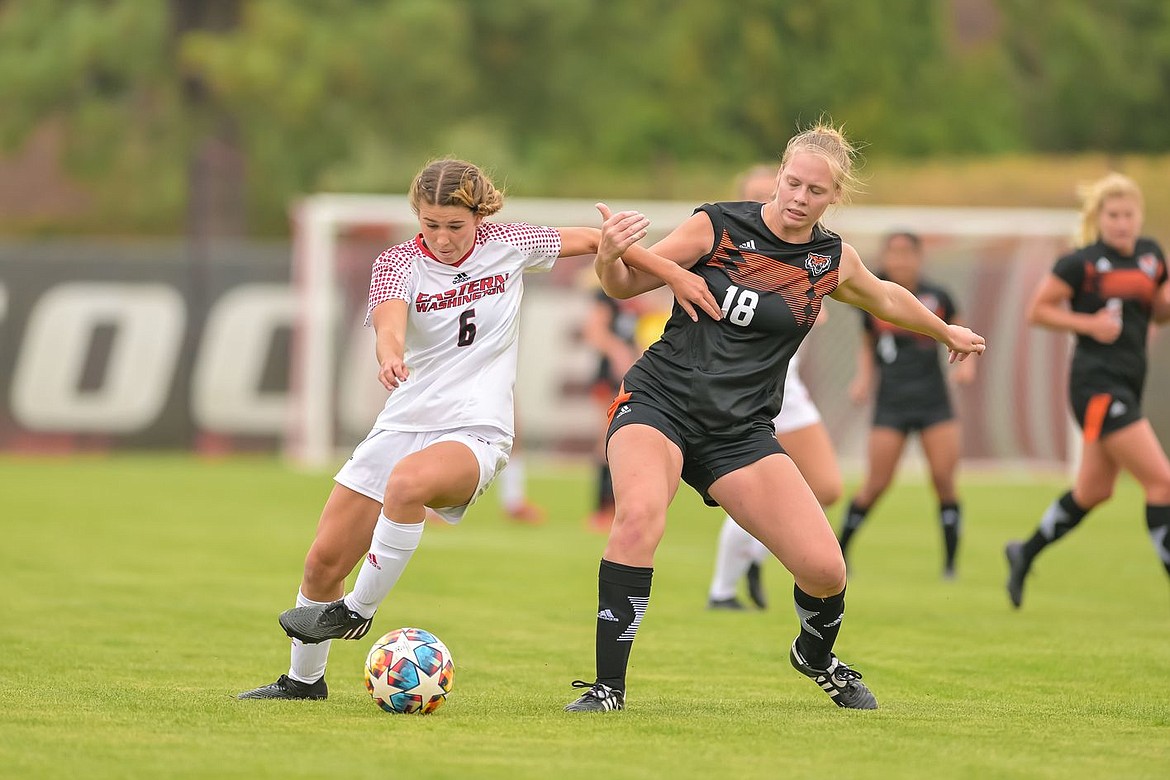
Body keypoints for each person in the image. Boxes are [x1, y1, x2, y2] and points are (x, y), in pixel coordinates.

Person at [236, 158, 705, 700]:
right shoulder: (396, 263)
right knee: (322, 561)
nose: (442, 237)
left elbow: (596, 239)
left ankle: (357, 612)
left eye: (455, 225)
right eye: (431, 224)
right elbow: (389, 326)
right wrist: (388, 355)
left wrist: (672, 272)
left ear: (479, 215)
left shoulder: (509, 241)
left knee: (408, 485)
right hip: (404, 421)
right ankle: (303, 681)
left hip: (477, 428)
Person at [563, 121, 986, 714]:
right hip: (660, 402)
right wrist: (609, 257)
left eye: (814, 191)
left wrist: (945, 331)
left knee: (825, 570)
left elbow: (887, 297)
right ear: (780, 175)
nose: (798, 198)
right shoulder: (718, 225)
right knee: (637, 518)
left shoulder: (828, 260)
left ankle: (814, 656)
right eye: (792, 183)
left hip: (739, 431)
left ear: (833, 197)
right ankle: (608, 688)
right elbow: (626, 282)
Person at [1005, 172, 1170, 608]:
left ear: (1140, 216)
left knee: (1095, 491)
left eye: (1128, 214)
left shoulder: (1153, 257)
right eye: (1112, 215)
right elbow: (1037, 311)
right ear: (1099, 218)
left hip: (1129, 384)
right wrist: (1089, 324)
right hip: (1095, 386)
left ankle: (1024, 551)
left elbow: (1158, 314)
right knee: (1163, 482)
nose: (1121, 222)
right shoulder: (1080, 263)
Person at [707, 165, 843, 610]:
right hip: (740, 389)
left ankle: (756, 553)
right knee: (751, 491)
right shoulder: (725, 238)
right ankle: (723, 590)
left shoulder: (815, 253)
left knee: (826, 486)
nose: (793, 200)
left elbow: (825, 306)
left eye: (812, 191)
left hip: (789, 389)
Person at [836, 231, 976, 579]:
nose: (899, 260)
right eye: (893, 254)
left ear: (918, 257)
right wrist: (863, 379)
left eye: (906, 253)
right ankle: (840, 551)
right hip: (892, 403)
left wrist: (967, 366)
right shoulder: (873, 296)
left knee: (944, 480)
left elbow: (961, 332)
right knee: (876, 484)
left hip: (933, 403)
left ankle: (950, 565)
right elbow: (868, 345)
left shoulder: (939, 296)